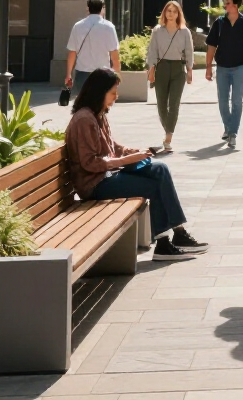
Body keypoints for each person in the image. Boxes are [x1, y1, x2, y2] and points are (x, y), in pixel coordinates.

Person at [65, 68, 208, 262]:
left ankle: (179, 233)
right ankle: (164, 244)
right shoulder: (84, 120)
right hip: (94, 184)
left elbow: (112, 147)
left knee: (160, 169)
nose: (116, 97)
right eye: (113, 93)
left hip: (106, 176)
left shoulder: (98, 114)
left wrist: (138, 152)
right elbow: (89, 163)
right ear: (99, 92)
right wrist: (126, 161)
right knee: (153, 186)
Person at [205, 0, 243, 150]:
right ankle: (229, 128)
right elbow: (211, 46)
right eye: (225, 2)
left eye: (228, 2)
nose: (225, 5)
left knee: (236, 101)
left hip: (239, 67)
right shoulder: (219, 23)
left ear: (236, 4)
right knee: (223, 101)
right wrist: (208, 67)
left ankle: (232, 133)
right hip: (222, 68)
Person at [146, 0, 195, 151]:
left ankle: (168, 137)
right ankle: (168, 128)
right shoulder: (157, 31)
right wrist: (151, 70)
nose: (171, 14)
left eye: (174, 11)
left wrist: (189, 70)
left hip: (178, 69)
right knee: (161, 104)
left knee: (174, 104)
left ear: (178, 14)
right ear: (164, 13)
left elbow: (189, 51)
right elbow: (152, 51)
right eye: (169, 11)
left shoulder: (184, 31)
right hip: (161, 68)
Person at [65, 0, 120, 96]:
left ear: (88, 9)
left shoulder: (78, 26)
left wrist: (68, 75)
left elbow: (72, 53)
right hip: (102, 74)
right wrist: (116, 77)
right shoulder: (109, 27)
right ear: (102, 9)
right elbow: (115, 57)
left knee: (83, 105)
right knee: (100, 105)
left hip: (82, 73)